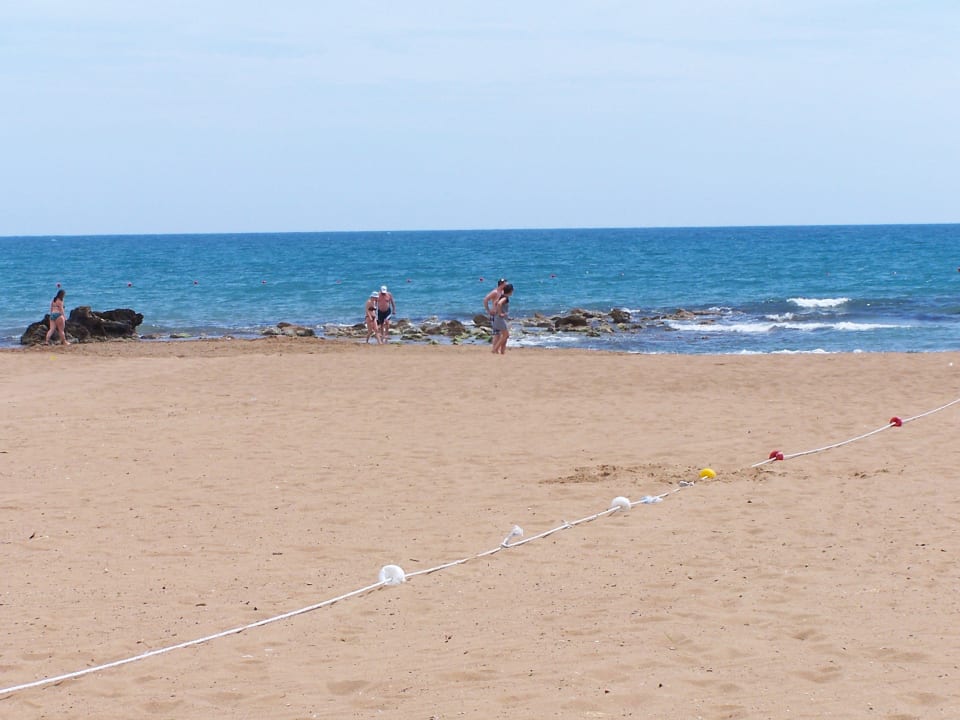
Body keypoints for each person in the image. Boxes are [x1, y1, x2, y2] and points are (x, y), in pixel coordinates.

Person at [491, 283, 514, 354]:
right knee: (506, 335)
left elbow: (495, 303)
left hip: (497, 318)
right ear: (511, 291)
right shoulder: (505, 298)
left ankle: (502, 351)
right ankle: (495, 349)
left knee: (504, 335)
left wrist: (495, 310)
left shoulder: (501, 296)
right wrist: (500, 312)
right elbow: (499, 304)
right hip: (500, 319)